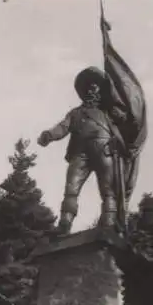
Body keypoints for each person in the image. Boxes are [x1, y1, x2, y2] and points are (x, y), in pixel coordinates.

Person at [37, 67, 128, 235]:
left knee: (108, 190)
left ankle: (109, 221)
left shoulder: (108, 112)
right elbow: (62, 127)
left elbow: (127, 121)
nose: (92, 89)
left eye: (96, 86)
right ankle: (65, 222)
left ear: (101, 90)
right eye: (89, 86)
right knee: (71, 187)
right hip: (80, 152)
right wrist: (49, 135)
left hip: (105, 149)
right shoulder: (75, 113)